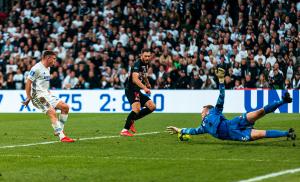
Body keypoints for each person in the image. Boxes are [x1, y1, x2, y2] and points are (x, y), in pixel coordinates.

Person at [167, 68, 296, 143]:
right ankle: (287, 133)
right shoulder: (203, 127)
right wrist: (179, 130)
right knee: (260, 134)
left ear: (207, 110)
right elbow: (191, 131)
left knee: (259, 112)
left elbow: (222, 96)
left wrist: (221, 81)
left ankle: (283, 101)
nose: (201, 113)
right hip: (235, 135)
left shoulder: (215, 112)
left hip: (233, 123)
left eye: (202, 110)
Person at [22, 51, 75, 143]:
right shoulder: (36, 68)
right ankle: (62, 136)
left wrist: (48, 92)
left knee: (65, 107)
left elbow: (43, 83)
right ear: (48, 58)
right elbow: (28, 82)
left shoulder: (48, 68)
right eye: (54, 58)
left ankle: (58, 129)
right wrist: (28, 97)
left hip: (46, 94)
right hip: (38, 96)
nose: (55, 60)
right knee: (52, 112)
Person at [120, 49, 156, 137]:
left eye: (148, 56)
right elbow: (135, 79)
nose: (147, 58)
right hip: (131, 90)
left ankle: (131, 119)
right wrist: (145, 88)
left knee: (152, 106)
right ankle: (124, 130)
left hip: (137, 90)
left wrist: (147, 82)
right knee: (136, 109)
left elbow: (143, 74)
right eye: (145, 56)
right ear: (141, 56)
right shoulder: (137, 64)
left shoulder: (146, 64)